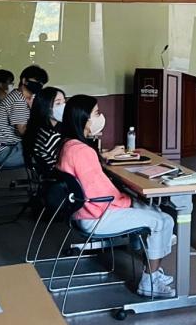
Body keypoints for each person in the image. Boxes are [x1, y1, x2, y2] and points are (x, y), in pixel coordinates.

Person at [57, 94, 176, 298]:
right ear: (83, 119)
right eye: (96, 113)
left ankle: (153, 270)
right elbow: (100, 194)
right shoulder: (82, 151)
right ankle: (150, 280)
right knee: (161, 220)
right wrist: (127, 199)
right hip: (96, 216)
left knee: (154, 212)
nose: (100, 117)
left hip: (82, 212)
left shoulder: (68, 145)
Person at [0, 65, 48, 168]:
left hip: (7, 149)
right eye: (37, 81)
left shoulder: (17, 95)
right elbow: (22, 131)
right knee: (53, 151)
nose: (40, 85)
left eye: (42, 83)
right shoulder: (18, 100)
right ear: (24, 80)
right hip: (6, 153)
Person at [22, 87, 65, 173]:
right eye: (58, 103)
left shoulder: (37, 127)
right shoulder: (50, 136)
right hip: (59, 175)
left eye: (64, 102)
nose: (63, 106)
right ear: (45, 107)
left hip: (50, 174)